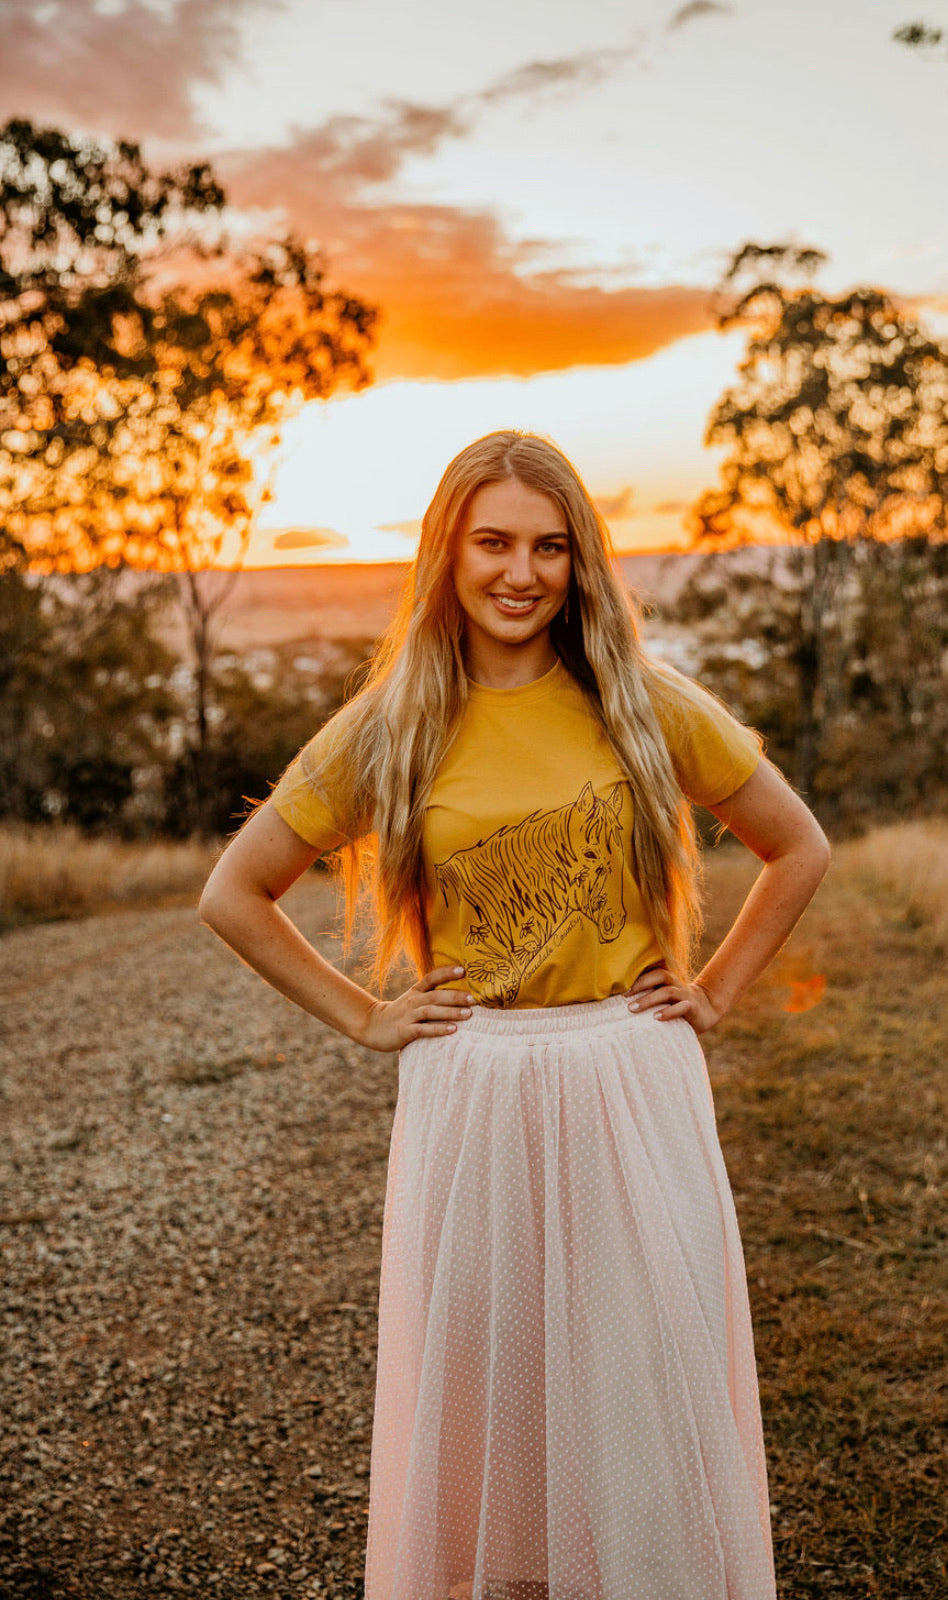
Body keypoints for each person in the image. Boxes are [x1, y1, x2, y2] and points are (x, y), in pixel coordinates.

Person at [198, 429, 830, 1600]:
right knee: (491, 1397)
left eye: (549, 547)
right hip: (474, 1085)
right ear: (447, 553)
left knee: (641, 1379)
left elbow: (797, 844)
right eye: (492, 542)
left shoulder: (641, 704)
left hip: (632, 1080)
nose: (520, 573)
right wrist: (364, 1015)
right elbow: (234, 891)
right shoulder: (392, 725)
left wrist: (717, 988)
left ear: (581, 561)